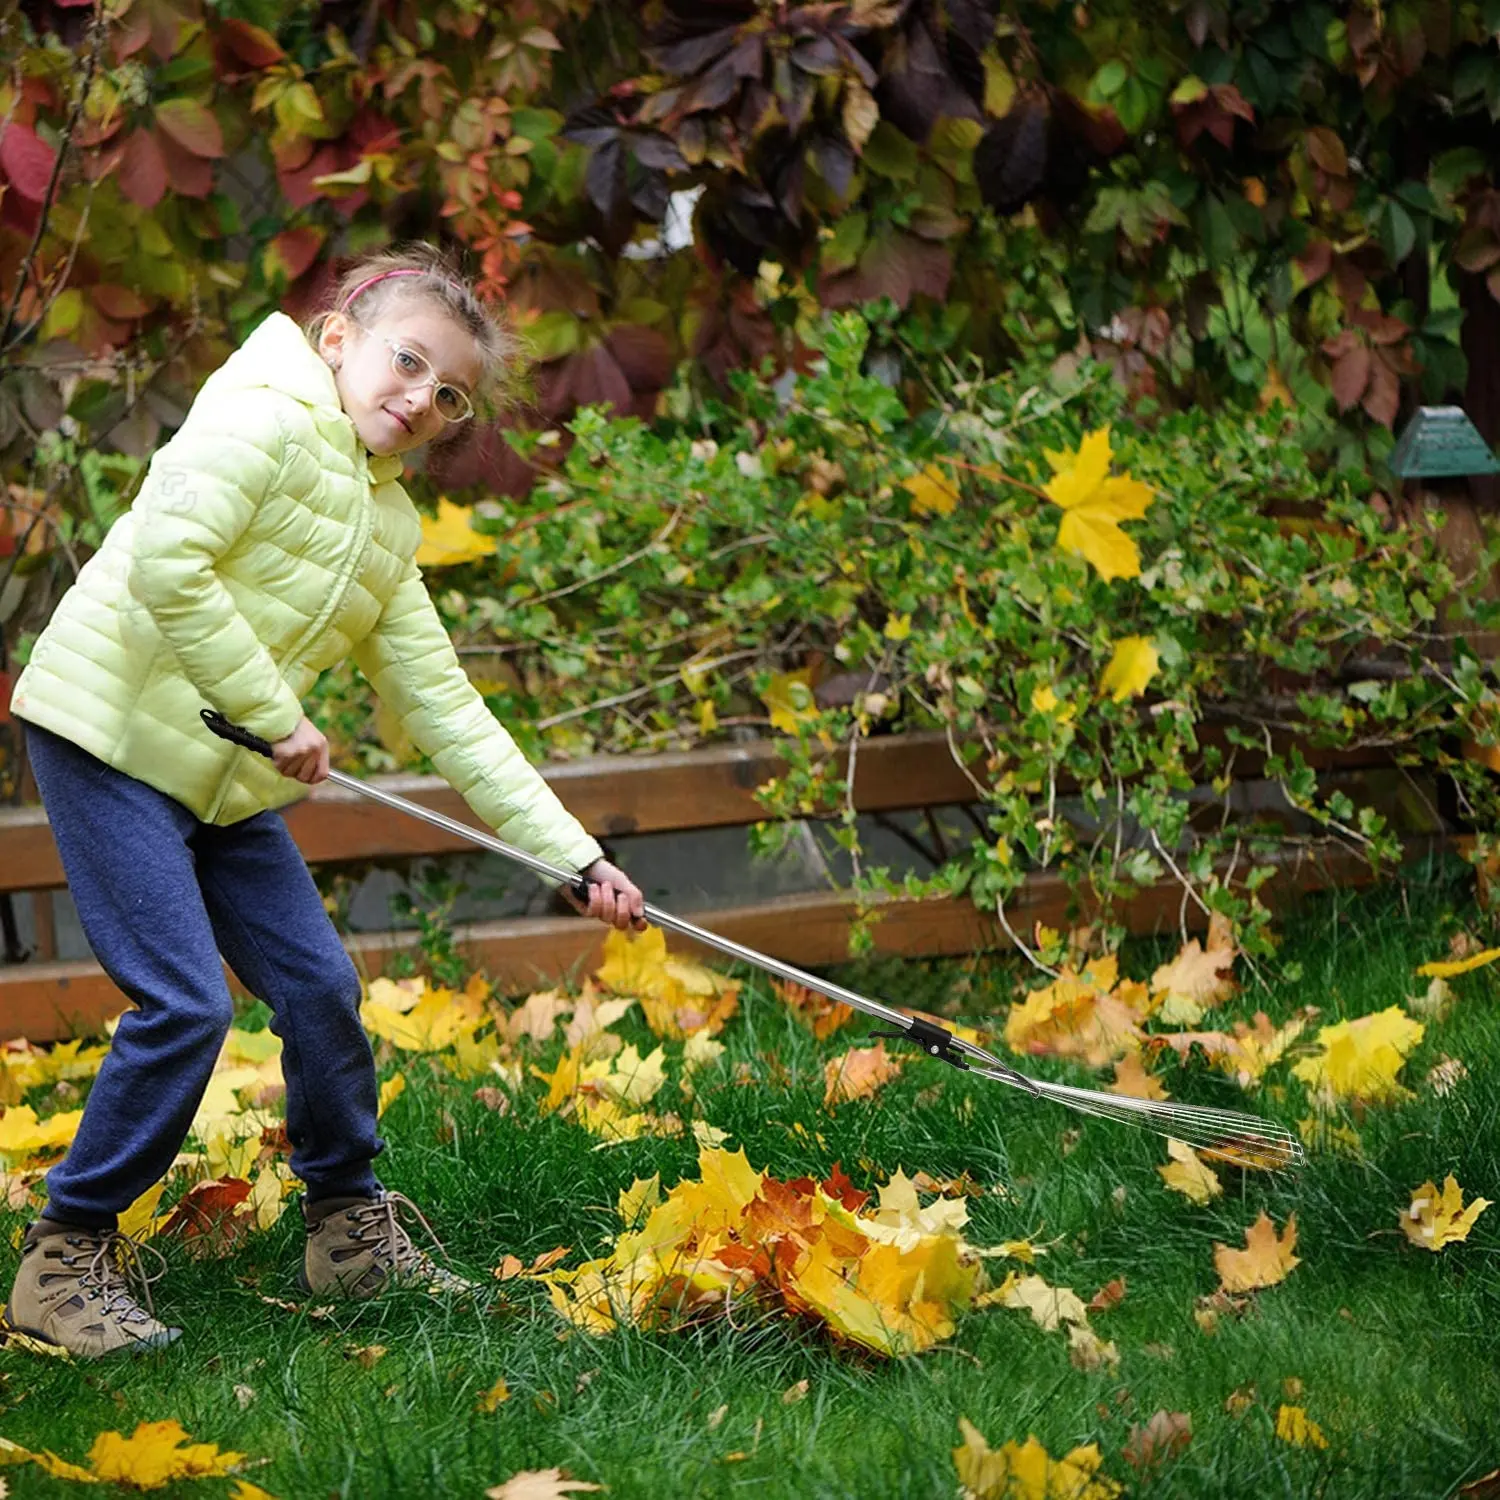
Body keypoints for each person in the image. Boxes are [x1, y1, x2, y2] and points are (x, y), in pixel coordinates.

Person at [1, 243, 646, 1358]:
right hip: (104, 734)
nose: (421, 400)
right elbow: (169, 562)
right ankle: (64, 1257)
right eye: (407, 363)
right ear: (338, 338)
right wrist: (275, 714)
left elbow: (446, 709)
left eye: (449, 396)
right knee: (186, 1003)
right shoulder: (255, 415)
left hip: (224, 773)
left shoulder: (387, 528)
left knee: (319, 985)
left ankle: (347, 1230)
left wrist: (573, 855)